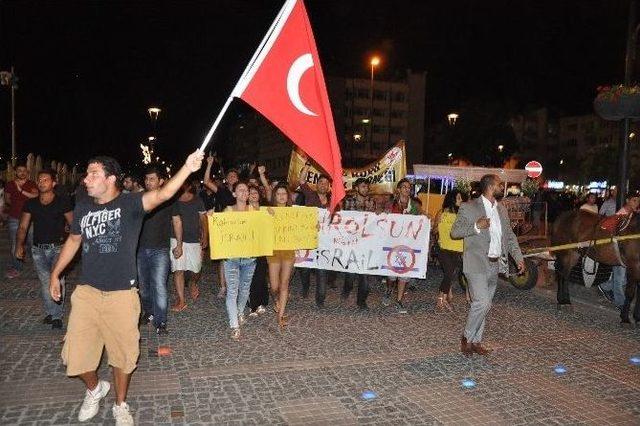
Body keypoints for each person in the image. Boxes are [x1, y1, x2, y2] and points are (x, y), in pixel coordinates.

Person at [49, 151, 203, 425]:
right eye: (87, 174)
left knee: (123, 356)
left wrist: (187, 168)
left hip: (122, 293)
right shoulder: (83, 206)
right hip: (87, 292)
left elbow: (164, 194)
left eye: (92, 174)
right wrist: (55, 273)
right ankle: (95, 389)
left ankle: (121, 404)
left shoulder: (130, 203)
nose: (86, 179)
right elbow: (74, 240)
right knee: (75, 356)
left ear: (110, 178)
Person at [451, 174, 524, 356]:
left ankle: (476, 341)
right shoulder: (469, 207)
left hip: (495, 264)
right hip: (475, 263)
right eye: (500, 185)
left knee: (486, 304)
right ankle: (466, 337)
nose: (503, 188)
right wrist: (476, 226)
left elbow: (509, 236)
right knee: (482, 302)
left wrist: (518, 257)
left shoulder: (502, 210)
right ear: (491, 187)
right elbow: (455, 232)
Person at [15, 169, 72, 330]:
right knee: (45, 283)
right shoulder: (31, 203)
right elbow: (23, 226)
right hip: (38, 249)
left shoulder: (62, 202)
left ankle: (57, 316)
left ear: (54, 183)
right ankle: (51, 311)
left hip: (58, 248)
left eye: (45, 180)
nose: (41, 182)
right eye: (39, 180)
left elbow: (73, 224)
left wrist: (73, 246)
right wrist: (19, 245)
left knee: (57, 280)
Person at [137, 164, 177, 334]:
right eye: (146, 178)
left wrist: (179, 244)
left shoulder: (167, 200)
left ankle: (161, 322)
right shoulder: (139, 199)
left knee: (159, 285)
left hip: (160, 249)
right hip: (140, 249)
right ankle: (149, 312)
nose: (148, 181)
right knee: (144, 287)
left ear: (161, 181)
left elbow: (176, 220)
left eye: (152, 178)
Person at [221, 181, 258, 340]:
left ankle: (240, 311)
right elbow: (220, 230)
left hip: (250, 258)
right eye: (240, 190)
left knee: (244, 289)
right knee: (232, 291)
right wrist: (212, 219)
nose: (244, 192)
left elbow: (262, 230)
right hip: (231, 258)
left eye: (246, 190)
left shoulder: (255, 211)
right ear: (234, 194)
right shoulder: (227, 211)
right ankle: (234, 325)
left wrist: (270, 214)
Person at [169, 178, 208, 313]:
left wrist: (205, 235)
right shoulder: (172, 201)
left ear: (189, 185)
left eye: (185, 183)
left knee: (196, 268)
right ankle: (181, 300)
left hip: (194, 239)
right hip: (175, 238)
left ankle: (192, 282)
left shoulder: (197, 200)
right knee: (178, 269)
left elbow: (203, 219)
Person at [383, 178, 421, 314]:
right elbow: (382, 220)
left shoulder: (415, 207)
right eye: (404, 187)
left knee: (404, 274)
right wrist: (382, 215)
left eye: (409, 187)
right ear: (398, 190)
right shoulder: (390, 204)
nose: (407, 189)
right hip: (392, 245)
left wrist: (425, 218)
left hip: (407, 245)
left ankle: (399, 300)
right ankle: (388, 290)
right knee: (391, 275)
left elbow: (420, 222)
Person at [597, 192, 640, 309]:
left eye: (638, 201)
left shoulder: (632, 214)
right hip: (617, 250)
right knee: (620, 277)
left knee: (624, 278)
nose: (637, 203)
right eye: (634, 200)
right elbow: (607, 227)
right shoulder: (623, 213)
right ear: (628, 200)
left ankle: (605, 286)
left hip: (625, 252)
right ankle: (620, 302)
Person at [297, 165, 332, 307]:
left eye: (326, 183)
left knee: (322, 271)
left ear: (329, 187)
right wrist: (307, 165)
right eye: (321, 183)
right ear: (317, 185)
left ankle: (320, 299)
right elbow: (301, 180)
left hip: (325, 243)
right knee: (305, 269)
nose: (323, 185)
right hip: (307, 239)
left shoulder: (333, 201)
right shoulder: (310, 195)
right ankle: (305, 287)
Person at [341, 178, 378, 310]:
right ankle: (347, 288)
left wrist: (372, 213)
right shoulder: (348, 201)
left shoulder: (372, 202)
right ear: (356, 188)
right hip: (352, 243)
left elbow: (374, 222)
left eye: (367, 187)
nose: (365, 189)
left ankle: (361, 300)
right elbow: (345, 220)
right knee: (350, 274)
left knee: (364, 274)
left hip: (366, 244)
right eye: (363, 187)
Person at [203, 154, 237, 299]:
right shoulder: (221, 191)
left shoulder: (243, 191)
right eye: (230, 175)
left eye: (235, 176)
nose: (232, 177)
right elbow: (206, 181)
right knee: (223, 259)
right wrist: (209, 164)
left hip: (239, 228)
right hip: (223, 227)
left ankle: (235, 285)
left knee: (236, 257)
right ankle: (223, 287)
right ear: (226, 178)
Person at [267, 184, 296, 328]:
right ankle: (276, 301)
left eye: (284, 193)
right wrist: (268, 216)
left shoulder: (294, 212)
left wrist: (313, 226)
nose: (281, 196)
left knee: (284, 284)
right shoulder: (269, 210)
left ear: (288, 196)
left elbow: (303, 227)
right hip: (273, 250)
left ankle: (280, 315)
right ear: (274, 196)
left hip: (288, 250)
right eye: (278, 194)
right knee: (274, 286)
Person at [4, 160, 38, 278]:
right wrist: (15, 204)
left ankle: (38, 265)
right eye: (19, 170)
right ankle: (16, 267)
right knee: (15, 243)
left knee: (32, 242)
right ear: (15, 172)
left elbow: (35, 196)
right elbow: (7, 199)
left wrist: (21, 191)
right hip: (14, 217)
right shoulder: (9, 184)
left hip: (30, 218)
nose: (22, 173)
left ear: (27, 172)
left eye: (24, 171)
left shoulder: (31, 184)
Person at [433, 189, 464, 312]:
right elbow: (434, 230)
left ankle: (445, 297)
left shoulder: (461, 214)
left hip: (456, 247)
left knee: (449, 273)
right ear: (452, 199)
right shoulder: (441, 213)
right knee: (450, 271)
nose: (461, 201)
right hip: (443, 247)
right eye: (458, 198)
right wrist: (440, 226)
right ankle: (440, 299)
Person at [248, 182, 269, 317]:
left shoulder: (265, 209)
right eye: (250, 193)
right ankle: (252, 305)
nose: (253, 195)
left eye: (255, 192)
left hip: (262, 246)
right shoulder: (242, 210)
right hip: (248, 247)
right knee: (250, 276)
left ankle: (262, 302)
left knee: (261, 275)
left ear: (259, 195)